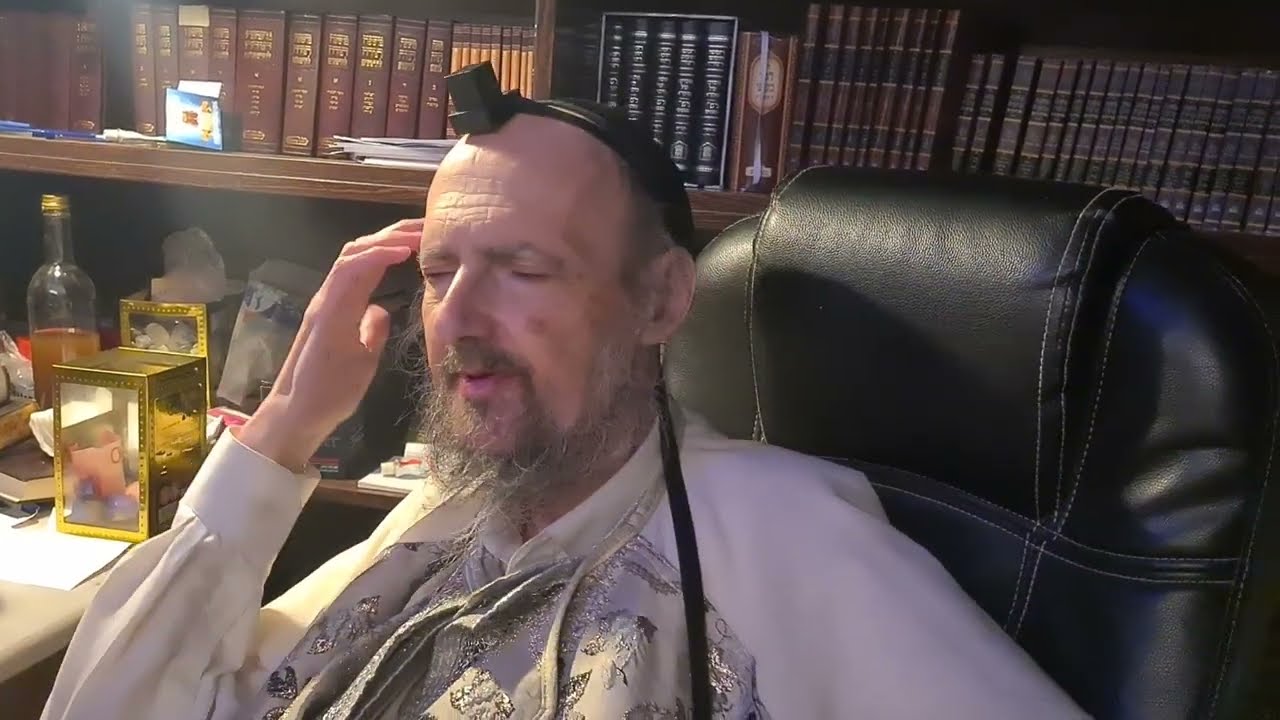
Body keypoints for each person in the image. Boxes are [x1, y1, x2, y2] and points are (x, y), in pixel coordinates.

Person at [41, 101, 1087, 719]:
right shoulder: (444, 516)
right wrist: (281, 430)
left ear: (660, 301)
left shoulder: (786, 530)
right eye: (439, 272)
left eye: (523, 269)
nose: (457, 320)